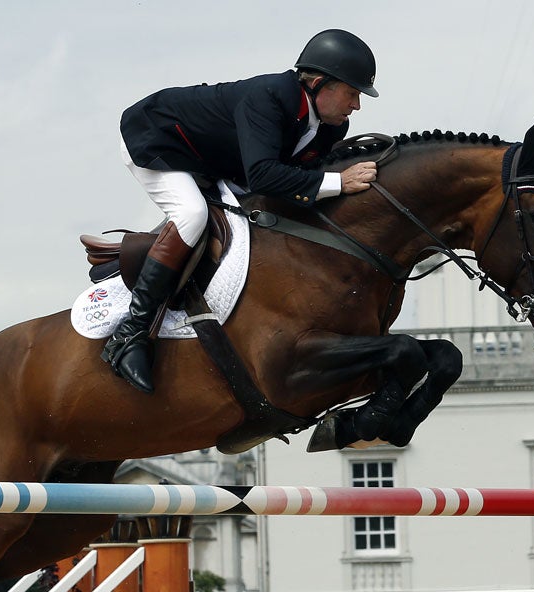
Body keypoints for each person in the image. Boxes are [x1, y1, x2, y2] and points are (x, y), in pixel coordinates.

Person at [102, 29, 380, 393]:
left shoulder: (332, 125)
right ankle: (130, 331)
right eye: (352, 92)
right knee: (192, 214)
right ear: (319, 83)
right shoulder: (268, 97)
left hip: (218, 159)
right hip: (157, 140)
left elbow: (298, 174)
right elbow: (264, 174)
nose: (356, 104)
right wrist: (339, 184)